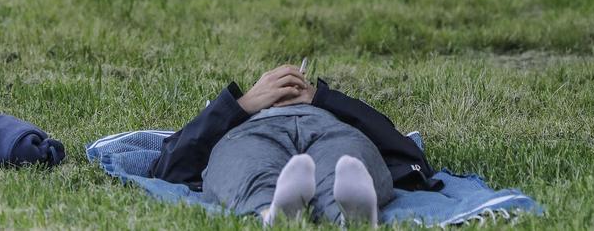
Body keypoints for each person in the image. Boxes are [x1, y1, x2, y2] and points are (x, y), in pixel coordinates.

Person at [149, 64, 441, 227]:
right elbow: (171, 163)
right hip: (252, 131)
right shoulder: (237, 115)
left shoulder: (331, 108)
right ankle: (270, 212)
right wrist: (243, 104)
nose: (282, 87)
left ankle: (351, 215)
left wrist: (322, 99)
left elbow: (402, 150)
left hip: (329, 127)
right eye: (271, 85)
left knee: (347, 164)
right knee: (250, 166)